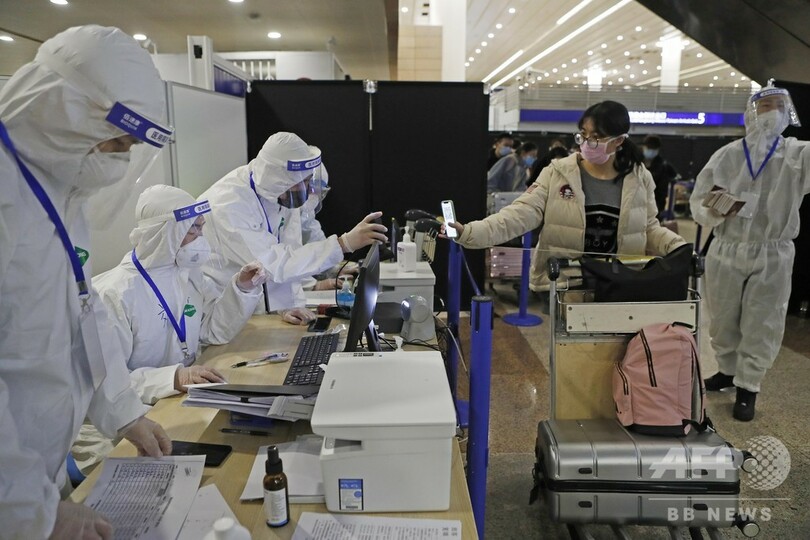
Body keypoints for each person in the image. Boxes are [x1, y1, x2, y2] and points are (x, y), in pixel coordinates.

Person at [0, 25, 174, 538]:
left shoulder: (60, 191)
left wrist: (124, 413)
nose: (119, 156)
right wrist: (31, 513)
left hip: (33, 481)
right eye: (117, 139)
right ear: (66, 110)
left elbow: (83, 314)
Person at [71, 185, 266, 473]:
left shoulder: (186, 275)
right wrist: (173, 376)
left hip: (168, 404)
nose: (200, 239)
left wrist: (242, 289)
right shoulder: (114, 293)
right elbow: (103, 380)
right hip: (111, 431)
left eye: (201, 228)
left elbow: (212, 331)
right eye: (192, 229)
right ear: (165, 233)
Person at [446, 100, 685, 290]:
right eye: (583, 134)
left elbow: (648, 228)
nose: (587, 143)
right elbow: (518, 215)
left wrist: (679, 248)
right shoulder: (557, 173)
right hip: (568, 285)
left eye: (596, 137)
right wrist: (469, 232)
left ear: (619, 141)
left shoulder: (640, 178)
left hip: (621, 284)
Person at [690, 83, 810, 422]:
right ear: (750, 113)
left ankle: (749, 386)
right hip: (726, 247)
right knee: (722, 317)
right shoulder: (727, 155)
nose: (771, 112)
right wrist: (716, 210)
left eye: (778, 106)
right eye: (765, 106)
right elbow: (699, 201)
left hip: (772, 253)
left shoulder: (797, 154)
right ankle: (727, 370)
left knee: (763, 319)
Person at [199, 132, 387, 325]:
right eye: (301, 183)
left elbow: (291, 252)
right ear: (278, 180)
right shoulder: (229, 204)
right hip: (219, 308)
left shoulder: (277, 194)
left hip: (253, 307)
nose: (306, 189)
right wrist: (343, 244)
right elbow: (272, 264)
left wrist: (289, 305)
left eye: (308, 180)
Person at [641, 134, 680, 218]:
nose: (650, 151)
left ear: (658, 150)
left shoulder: (664, 166)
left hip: (656, 204)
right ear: (644, 147)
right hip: (638, 202)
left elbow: (674, 178)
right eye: (649, 148)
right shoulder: (637, 163)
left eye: (653, 149)